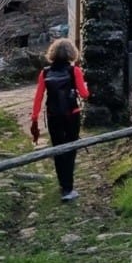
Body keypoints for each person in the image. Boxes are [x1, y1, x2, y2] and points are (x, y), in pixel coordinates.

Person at [31, 39, 90, 201]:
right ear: (72, 53)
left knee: (57, 149)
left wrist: (34, 118)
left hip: (53, 115)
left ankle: (63, 185)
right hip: (72, 114)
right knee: (71, 149)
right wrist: (86, 86)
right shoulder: (75, 71)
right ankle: (69, 187)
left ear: (52, 53)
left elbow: (38, 98)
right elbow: (84, 94)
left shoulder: (45, 73)